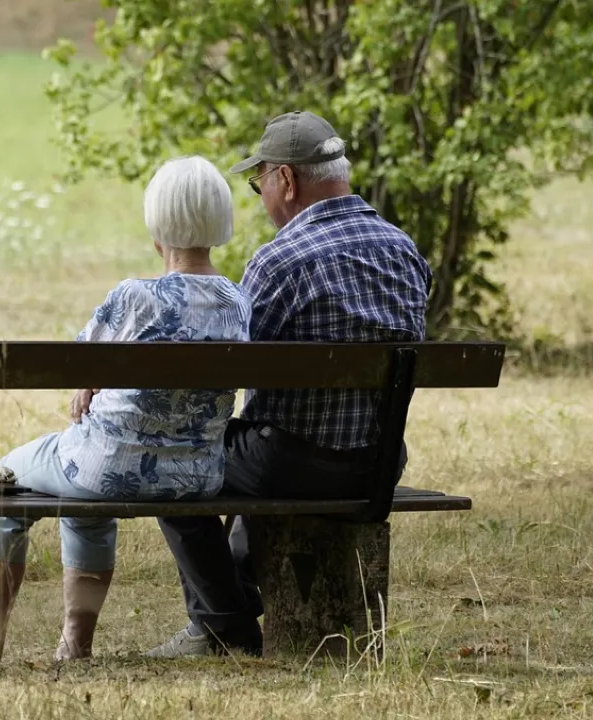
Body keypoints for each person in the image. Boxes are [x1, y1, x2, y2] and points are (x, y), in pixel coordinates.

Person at [145, 111, 434, 658]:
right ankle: (235, 604)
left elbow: (229, 371)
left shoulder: (279, 261)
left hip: (291, 465)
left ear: (286, 180)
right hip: (378, 464)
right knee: (259, 441)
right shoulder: (405, 251)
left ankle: (224, 625)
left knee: (172, 458)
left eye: (260, 185)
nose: (261, 198)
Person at [0, 155, 253, 664]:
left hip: (105, 467)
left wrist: (90, 382)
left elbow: (77, 364)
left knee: (3, 481)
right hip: (196, 476)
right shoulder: (238, 302)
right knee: (85, 494)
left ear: (157, 224)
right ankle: (74, 645)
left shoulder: (134, 297)